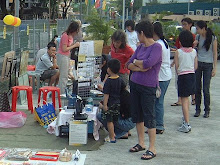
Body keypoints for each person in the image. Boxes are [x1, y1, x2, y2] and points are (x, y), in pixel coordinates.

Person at [127, 20, 162, 160]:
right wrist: (139, 66)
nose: (137, 37)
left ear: (142, 33)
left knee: (149, 115)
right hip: (135, 84)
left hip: (148, 86)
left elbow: (149, 63)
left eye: (138, 33)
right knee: (137, 115)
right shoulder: (140, 47)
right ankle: (141, 142)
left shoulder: (156, 47)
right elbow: (129, 63)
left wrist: (138, 64)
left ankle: (152, 147)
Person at [174, 30, 197, 132]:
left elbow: (177, 66)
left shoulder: (178, 52)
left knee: (183, 100)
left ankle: (187, 124)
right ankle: (186, 118)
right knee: (187, 99)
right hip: (192, 75)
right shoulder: (194, 51)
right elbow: (196, 66)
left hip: (182, 77)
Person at [194, 20, 217, 118]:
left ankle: (207, 109)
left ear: (203, 28)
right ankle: (197, 109)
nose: (197, 31)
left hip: (208, 64)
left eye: (198, 29)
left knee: (206, 88)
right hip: (199, 63)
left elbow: (215, 53)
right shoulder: (198, 37)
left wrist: (215, 68)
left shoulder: (212, 38)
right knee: (197, 87)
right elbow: (195, 51)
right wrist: (195, 44)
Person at [99, 59, 126, 143]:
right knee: (115, 120)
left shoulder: (109, 81)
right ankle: (114, 134)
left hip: (110, 103)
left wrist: (105, 105)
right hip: (118, 103)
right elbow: (124, 90)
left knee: (109, 121)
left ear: (109, 69)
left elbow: (106, 94)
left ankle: (112, 137)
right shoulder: (120, 80)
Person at [171, 17, 196, 106]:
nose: (183, 26)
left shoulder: (193, 37)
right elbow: (177, 49)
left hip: (189, 62)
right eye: (182, 24)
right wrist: (174, 62)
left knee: (191, 82)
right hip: (182, 61)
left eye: (185, 24)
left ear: (190, 25)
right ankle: (180, 99)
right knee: (180, 82)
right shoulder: (180, 36)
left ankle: (193, 98)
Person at [153, 22, 172, 134]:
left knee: (158, 101)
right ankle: (157, 124)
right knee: (158, 101)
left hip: (161, 77)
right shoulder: (163, 42)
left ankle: (159, 125)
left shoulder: (159, 45)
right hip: (165, 75)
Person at [57, 21, 80, 95]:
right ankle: (61, 93)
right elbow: (64, 49)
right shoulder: (65, 35)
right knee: (63, 76)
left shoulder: (70, 36)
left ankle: (63, 91)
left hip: (67, 56)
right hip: (62, 56)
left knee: (66, 74)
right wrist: (74, 45)